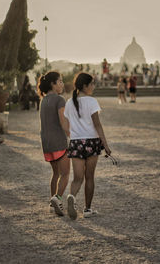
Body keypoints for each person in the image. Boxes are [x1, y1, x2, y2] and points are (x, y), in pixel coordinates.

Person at [64, 72, 111, 220]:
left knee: (78, 178)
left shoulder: (69, 103)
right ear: (85, 86)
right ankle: (87, 209)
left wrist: (74, 136)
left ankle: (72, 196)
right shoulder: (92, 102)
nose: (93, 86)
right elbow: (97, 124)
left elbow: (67, 124)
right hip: (92, 142)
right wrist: (106, 145)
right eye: (92, 84)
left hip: (76, 142)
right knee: (89, 177)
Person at [37, 71, 71, 216]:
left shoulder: (43, 100)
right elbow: (63, 123)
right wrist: (72, 135)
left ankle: (52, 204)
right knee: (65, 174)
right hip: (58, 142)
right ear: (53, 84)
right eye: (60, 81)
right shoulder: (59, 99)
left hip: (46, 143)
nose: (62, 84)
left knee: (55, 174)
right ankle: (57, 199)